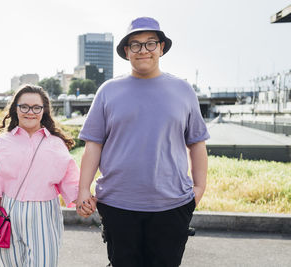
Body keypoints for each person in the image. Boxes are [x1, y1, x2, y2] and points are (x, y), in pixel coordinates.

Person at [76, 17, 210, 267]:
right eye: (135, 45)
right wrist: (83, 189)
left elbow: (197, 143)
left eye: (150, 43)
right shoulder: (108, 91)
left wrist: (199, 190)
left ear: (161, 47)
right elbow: (93, 145)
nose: (143, 50)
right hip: (118, 203)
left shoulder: (183, 90)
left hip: (173, 204)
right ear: (127, 52)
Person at [0, 84, 79, 267]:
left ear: (43, 111)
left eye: (36, 107)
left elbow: (70, 181)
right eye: (24, 106)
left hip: (44, 215)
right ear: (15, 109)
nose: (30, 112)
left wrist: (84, 201)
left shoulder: (55, 144)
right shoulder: (1, 143)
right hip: (6, 213)